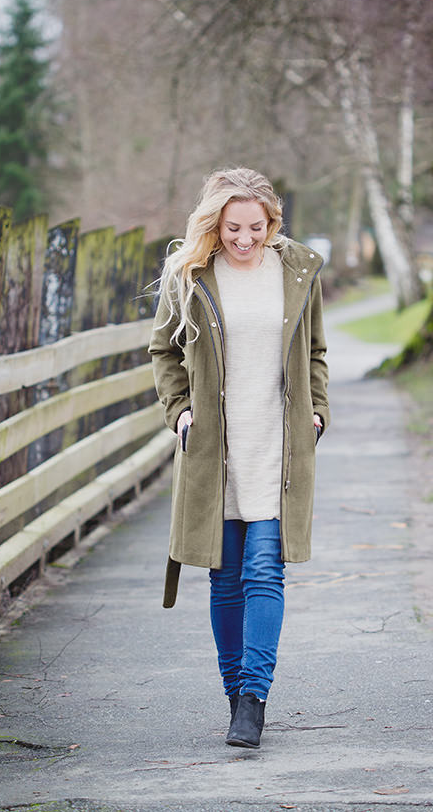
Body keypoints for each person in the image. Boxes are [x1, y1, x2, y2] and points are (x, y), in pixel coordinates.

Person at [148, 167, 329, 749]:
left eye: (255, 227)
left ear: (271, 222)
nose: (244, 239)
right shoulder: (191, 274)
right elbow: (163, 351)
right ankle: (234, 697)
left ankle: (254, 699)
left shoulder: (298, 270)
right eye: (232, 228)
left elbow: (316, 350)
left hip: (276, 446)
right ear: (215, 225)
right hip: (214, 447)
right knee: (224, 579)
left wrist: (317, 410)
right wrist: (179, 410)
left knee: (263, 571)